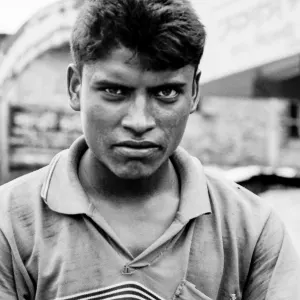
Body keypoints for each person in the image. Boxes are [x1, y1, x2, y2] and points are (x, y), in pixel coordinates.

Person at [0, 0, 299, 299]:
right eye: (115, 91)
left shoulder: (251, 229)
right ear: (76, 87)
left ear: (193, 92)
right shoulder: (10, 224)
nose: (139, 121)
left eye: (166, 92)